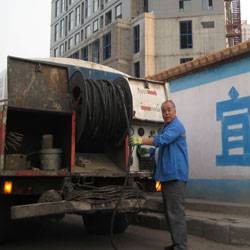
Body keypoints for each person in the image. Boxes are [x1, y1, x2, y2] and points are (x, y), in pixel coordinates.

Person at [130, 100, 189, 250]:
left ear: (175, 111)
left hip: (175, 176)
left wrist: (140, 140)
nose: (166, 113)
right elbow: (161, 147)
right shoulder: (165, 127)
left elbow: (162, 140)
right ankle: (176, 243)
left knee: (176, 212)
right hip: (167, 176)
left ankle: (181, 246)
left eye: (169, 110)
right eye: (163, 111)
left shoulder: (176, 126)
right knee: (170, 213)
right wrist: (147, 152)